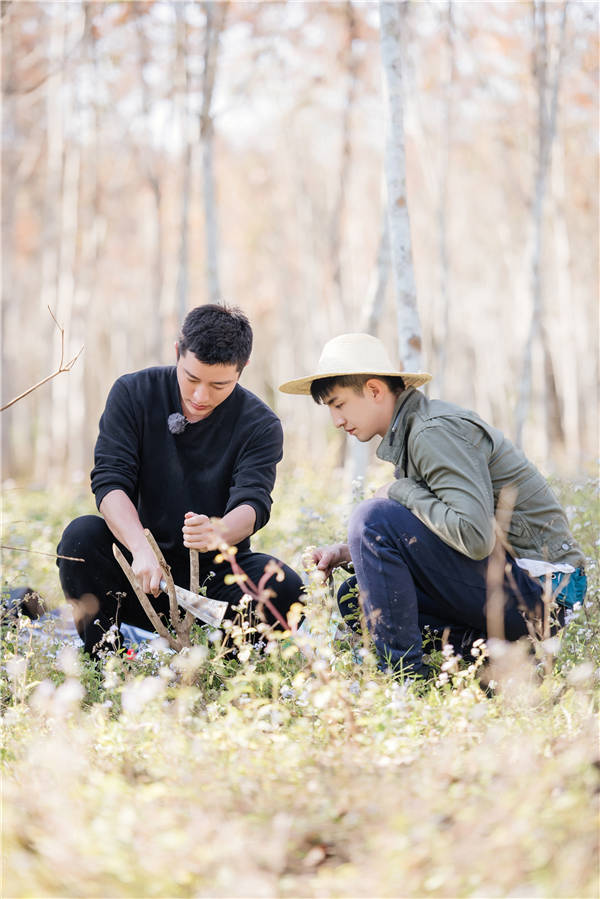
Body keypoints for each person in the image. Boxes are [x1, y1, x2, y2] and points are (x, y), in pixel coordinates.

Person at [279, 333, 587, 677]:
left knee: (370, 517)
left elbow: (473, 537)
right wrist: (345, 551)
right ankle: (503, 661)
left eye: (339, 404)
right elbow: (438, 528)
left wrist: (400, 490)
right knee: (358, 598)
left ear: (375, 390)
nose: (336, 421)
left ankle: (403, 679)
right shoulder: (413, 431)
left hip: (546, 593)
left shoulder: (430, 431)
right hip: (522, 586)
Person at [58, 304, 303, 656]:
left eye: (220, 385)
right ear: (177, 351)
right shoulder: (133, 393)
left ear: (242, 369)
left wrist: (219, 532)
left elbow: (254, 502)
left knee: (286, 587)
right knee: (80, 540)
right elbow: (110, 482)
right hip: (139, 574)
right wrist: (140, 547)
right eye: (191, 378)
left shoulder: (260, 425)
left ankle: (225, 663)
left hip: (212, 583)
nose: (201, 397)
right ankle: (106, 659)